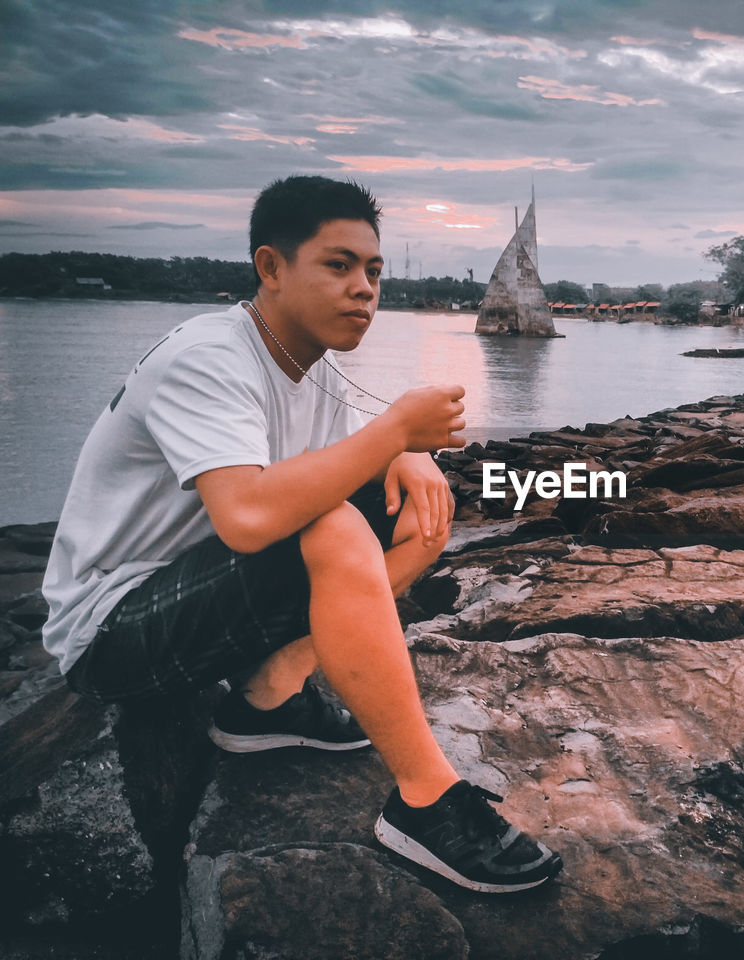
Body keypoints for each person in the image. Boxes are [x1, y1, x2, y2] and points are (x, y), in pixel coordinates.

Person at [41, 174, 562, 894]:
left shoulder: (312, 367)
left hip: (201, 597)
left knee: (421, 511)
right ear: (271, 268)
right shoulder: (210, 357)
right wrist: (394, 432)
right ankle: (425, 799)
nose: (365, 288)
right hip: (114, 631)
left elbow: (350, 450)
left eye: (374, 270)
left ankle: (268, 697)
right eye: (339, 265)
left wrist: (407, 452)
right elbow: (248, 515)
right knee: (336, 526)